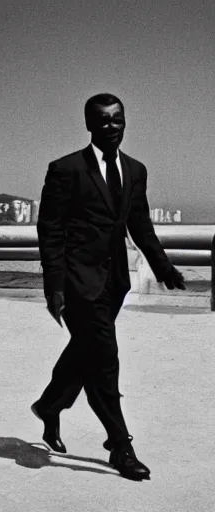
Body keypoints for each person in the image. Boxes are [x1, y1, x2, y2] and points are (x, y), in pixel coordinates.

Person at [33, 93, 186, 481]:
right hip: (77, 283)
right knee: (104, 361)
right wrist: (54, 287)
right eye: (102, 120)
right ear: (88, 124)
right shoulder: (66, 169)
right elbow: (49, 232)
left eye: (117, 119)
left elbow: (140, 224)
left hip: (114, 281)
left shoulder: (135, 170)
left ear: (125, 122)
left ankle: (50, 406)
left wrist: (163, 267)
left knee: (87, 351)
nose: (111, 126)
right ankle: (120, 445)